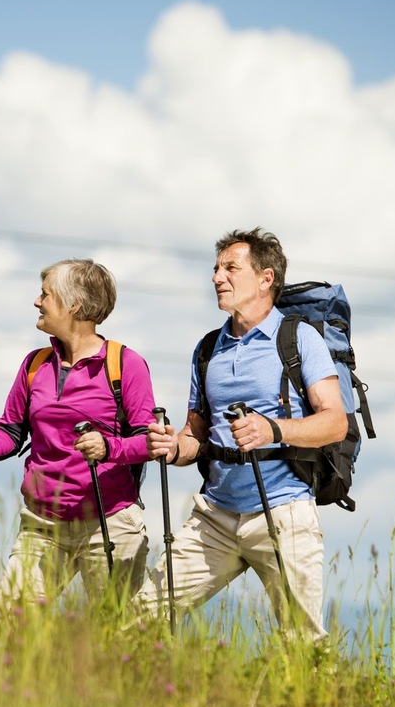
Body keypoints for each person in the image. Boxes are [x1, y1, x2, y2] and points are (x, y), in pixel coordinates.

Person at [136, 228, 347, 639]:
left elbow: (334, 421)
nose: (217, 277)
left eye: (231, 267)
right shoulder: (207, 348)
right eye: (216, 268)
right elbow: (196, 435)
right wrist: (172, 446)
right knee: (140, 619)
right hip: (215, 515)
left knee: (303, 649)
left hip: (283, 512)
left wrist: (272, 429)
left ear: (266, 278)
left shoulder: (299, 338)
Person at [0, 258, 155, 608]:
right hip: (41, 524)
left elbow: (148, 442)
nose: (37, 301)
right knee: (11, 625)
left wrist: (108, 447)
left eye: (45, 294)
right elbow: (11, 432)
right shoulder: (35, 364)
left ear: (74, 305)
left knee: (117, 636)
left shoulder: (125, 364)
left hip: (108, 524)